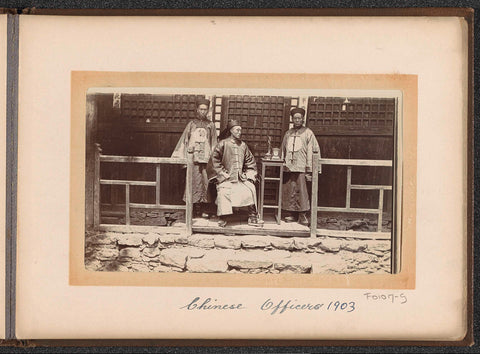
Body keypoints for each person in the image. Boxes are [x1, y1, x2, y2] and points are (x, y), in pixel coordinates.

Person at [207, 119, 263, 228]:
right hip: (226, 178)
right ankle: (224, 217)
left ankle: (252, 215)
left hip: (240, 179)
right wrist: (223, 174)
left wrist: (248, 175)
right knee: (224, 190)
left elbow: (250, 162)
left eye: (240, 130)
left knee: (250, 188)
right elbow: (214, 161)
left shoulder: (243, 145)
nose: (239, 132)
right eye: (237, 130)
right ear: (231, 131)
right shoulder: (222, 143)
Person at [171, 98, 217, 218]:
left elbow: (214, 143)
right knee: (193, 183)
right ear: (197, 110)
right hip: (193, 159)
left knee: (206, 183)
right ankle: (191, 210)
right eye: (201, 109)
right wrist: (182, 156)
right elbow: (185, 141)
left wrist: (214, 159)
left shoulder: (211, 125)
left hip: (207, 160)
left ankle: (204, 209)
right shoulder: (191, 124)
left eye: (205, 109)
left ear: (208, 110)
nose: (203, 111)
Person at [281, 107, 321, 226]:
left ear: (303, 119)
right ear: (292, 119)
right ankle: (291, 213)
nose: (297, 120)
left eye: (299, 118)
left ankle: (302, 215)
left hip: (302, 166)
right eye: (295, 118)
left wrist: (310, 168)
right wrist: (283, 162)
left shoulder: (308, 133)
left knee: (302, 191)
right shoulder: (288, 133)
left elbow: (312, 151)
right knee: (289, 190)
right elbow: (283, 149)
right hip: (289, 166)